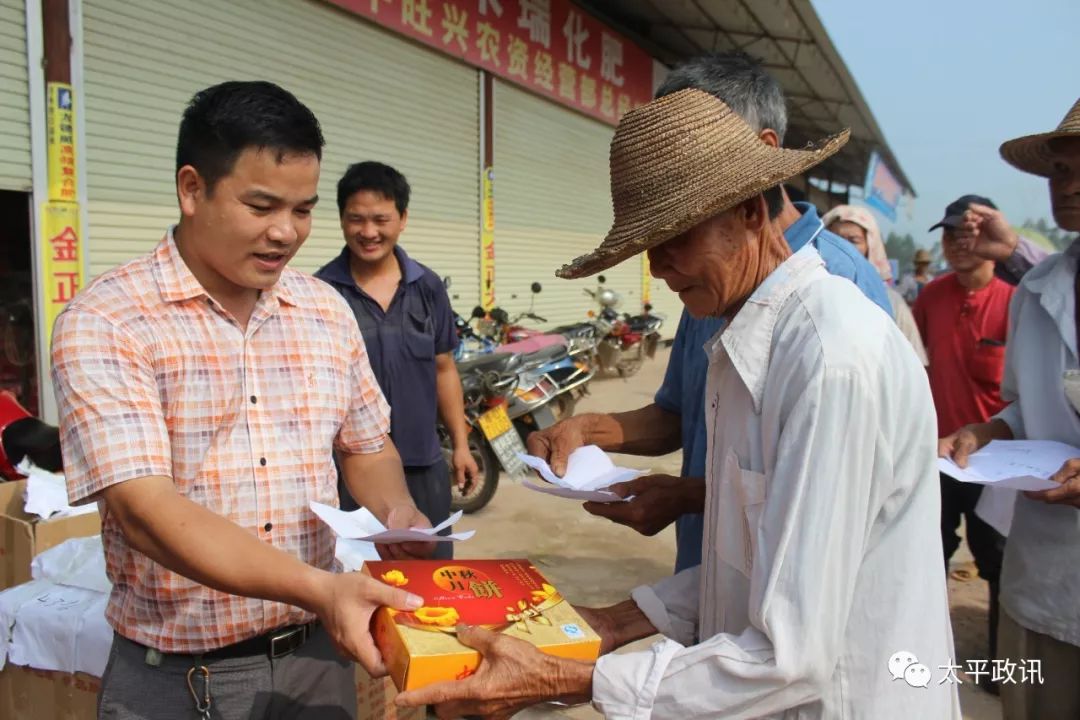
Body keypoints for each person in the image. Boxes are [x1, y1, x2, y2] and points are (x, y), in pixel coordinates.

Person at [396, 88, 959, 720]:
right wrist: (611, 622)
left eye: (675, 237)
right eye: (647, 244)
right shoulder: (737, 338)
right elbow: (742, 567)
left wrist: (575, 675)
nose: (659, 267)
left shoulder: (829, 357)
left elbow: (790, 653)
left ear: (750, 211)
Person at [51, 82, 433, 719]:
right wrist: (320, 588)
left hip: (317, 660)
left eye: (304, 210)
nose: (285, 233)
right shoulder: (109, 321)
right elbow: (146, 512)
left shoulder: (323, 310)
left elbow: (365, 444)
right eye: (261, 206)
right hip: (180, 681)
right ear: (192, 189)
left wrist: (397, 509)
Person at [537, 52, 892, 568]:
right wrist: (587, 429)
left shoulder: (837, 299)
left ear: (756, 172)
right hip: (710, 578)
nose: (659, 267)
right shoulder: (710, 282)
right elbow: (682, 415)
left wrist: (687, 496)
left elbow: (837, 491)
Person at [941, 98, 1080, 720]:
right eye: (1059, 171)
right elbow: (1029, 409)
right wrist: (987, 429)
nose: (1069, 185)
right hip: (1046, 581)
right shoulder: (1038, 287)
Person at [315, 161, 477, 559]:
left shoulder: (428, 287)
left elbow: (444, 369)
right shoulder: (320, 293)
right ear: (341, 220)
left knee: (431, 575)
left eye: (380, 219)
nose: (368, 232)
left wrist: (460, 445)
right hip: (350, 472)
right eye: (356, 219)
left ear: (402, 219)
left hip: (423, 464)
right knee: (358, 580)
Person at [823, 204, 928, 365]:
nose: (843, 247)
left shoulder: (892, 302)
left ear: (870, 246)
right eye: (834, 239)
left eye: (853, 240)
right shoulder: (812, 294)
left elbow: (916, 363)